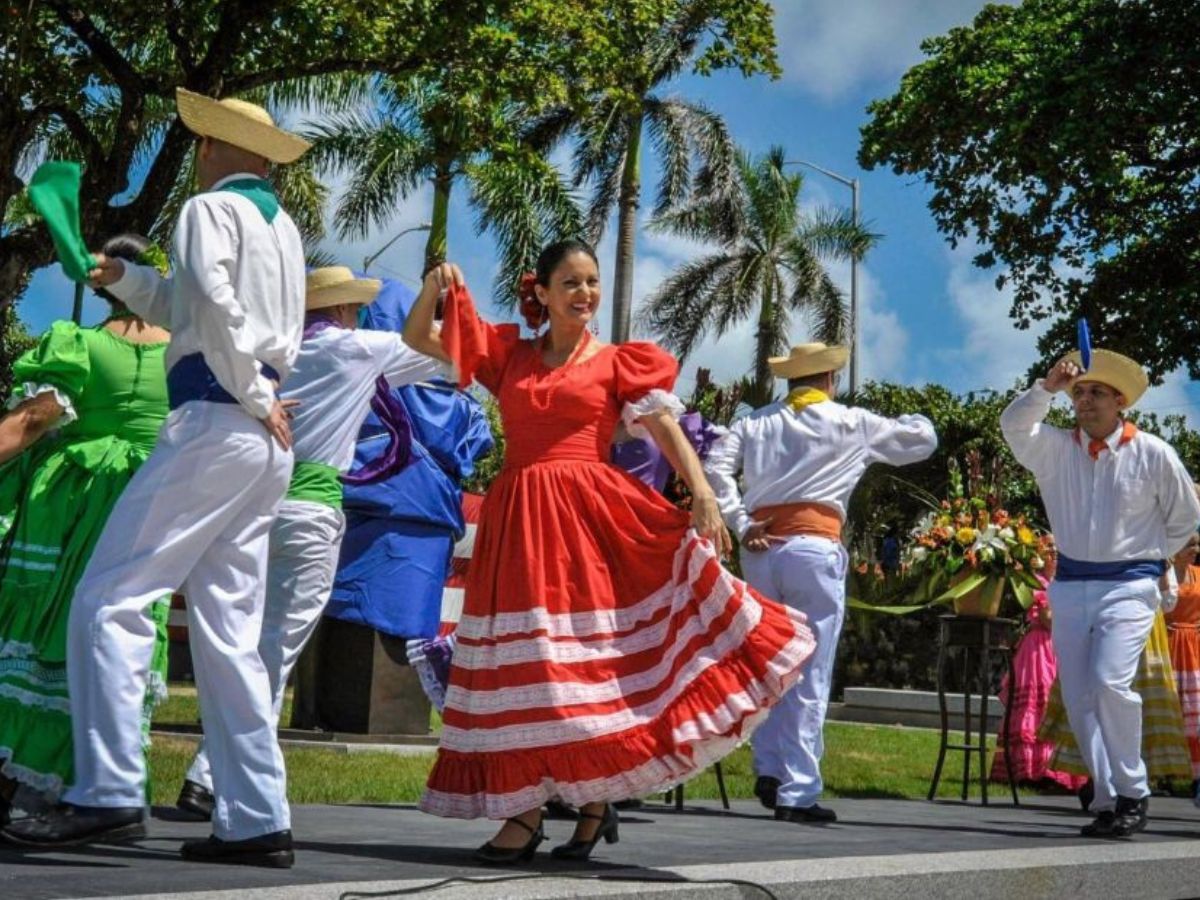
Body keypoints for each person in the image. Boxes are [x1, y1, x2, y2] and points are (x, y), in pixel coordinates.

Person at [401, 240, 816, 864]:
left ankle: (585, 805)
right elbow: (418, 339)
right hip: (517, 522)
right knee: (529, 672)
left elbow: (663, 425)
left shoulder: (619, 362)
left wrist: (702, 491)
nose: (585, 293)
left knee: (580, 668)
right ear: (540, 291)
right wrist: (438, 286)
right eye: (570, 282)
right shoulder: (509, 355)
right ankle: (534, 810)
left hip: (586, 526)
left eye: (592, 282)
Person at [3, 88, 310, 868]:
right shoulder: (283, 229)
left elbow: (209, 303)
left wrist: (251, 392)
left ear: (208, 147)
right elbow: (188, 303)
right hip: (260, 441)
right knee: (231, 634)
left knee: (108, 597)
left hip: (218, 416)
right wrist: (125, 279)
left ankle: (105, 791)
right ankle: (255, 817)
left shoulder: (208, 210)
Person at [175, 267, 450, 818]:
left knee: (242, 645)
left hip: (245, 507)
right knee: (273, 653)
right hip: (308, 510)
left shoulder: (262, 350)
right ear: (346, 310)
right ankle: (218, 780)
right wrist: (438, 297)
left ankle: (212, 772)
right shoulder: (358, 349)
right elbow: (449, 356)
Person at [704, 343, 937, 823]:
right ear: (830, 378)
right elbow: (922, 439)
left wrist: (741, 523)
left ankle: (768, 767)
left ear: (791, 380)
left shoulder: (754, 422)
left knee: (768, 664)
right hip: (813, 548)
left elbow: (715, 470)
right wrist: (909, 413)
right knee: (810, 670)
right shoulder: (851, 421)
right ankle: (798, 788)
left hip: (761, 549)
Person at [0, 235, 172, 825]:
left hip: (73, 507)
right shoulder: (189, 354)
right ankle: (98, 782)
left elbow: (29, 424)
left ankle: (19, 777)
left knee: (47, 623)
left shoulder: (82, 345)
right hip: (152, 505)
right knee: (123, 636)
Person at [1000, 349, 1200, 838]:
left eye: (1095, 393)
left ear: (1120, 402)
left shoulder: (1153, 452)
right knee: (1079, 693)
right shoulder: (1054, 448)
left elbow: (1185, 518)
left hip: (1130, 584)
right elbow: (1013, 427)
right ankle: (1108, 797)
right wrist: (1045, 388)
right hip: (1070, 585)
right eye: (1079, 393)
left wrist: (1155, 562)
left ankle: (1133, 791)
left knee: (1111, 682)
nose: (1084, 401)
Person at [988, 538, 1088, 790]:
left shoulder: (1067, 582)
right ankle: (1030, 769)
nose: (1055, 552)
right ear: (1041, 553)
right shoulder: (1035, 582)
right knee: (1039, 702)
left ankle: (1057, 771)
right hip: (1039, 649)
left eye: (1058, 547)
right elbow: (1047, 620)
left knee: (1062, 704)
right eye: (1049, 548)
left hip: (1061, 647)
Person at [1165, 525, 1200, 788]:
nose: (1195, 550)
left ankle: (1194, 773)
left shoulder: (1199, 574)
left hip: (1195, 646)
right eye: (1189, 545)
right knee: (1169, 705)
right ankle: (1166, 770)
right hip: (1168, 643)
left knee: (1194, 709)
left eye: (1196, 545)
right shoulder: (1164, 576)